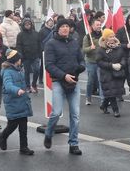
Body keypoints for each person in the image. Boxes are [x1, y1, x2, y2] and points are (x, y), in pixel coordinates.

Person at [43, 18, 85, 155]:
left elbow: (81, 59)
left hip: (74, 81)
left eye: (67, 26)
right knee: (56, 112)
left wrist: (81, 68)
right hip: (59, 82)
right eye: (63, 26)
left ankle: (73, 143)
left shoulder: (74, 42)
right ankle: (49, 134)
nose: (65, 28)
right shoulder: (51, 44)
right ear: (58, 28)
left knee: (75, 115)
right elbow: (49, 65)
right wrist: (63, 75)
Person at [0, 49, 34, 155]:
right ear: (15, 60)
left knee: (23, 126)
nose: (21, 60)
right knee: (12, 125)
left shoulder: (19, 69)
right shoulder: (7, 72)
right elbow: (8, 85)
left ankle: (24, 147)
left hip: (22, 101)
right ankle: (3, 136)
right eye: (19, 59)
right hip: (13, 102)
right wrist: (17, 90)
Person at [97, 29, 125, 117]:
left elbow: (123, 58)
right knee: (112, 92)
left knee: (113, 91)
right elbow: (99, 62)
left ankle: (103, 105)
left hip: (117, 72)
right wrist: (111, 65)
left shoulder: (118, 47)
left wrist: (121, 64)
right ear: (105, 38)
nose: (112, 38)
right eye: (110, 37)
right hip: (107, 73)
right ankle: (116, 110)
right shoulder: (101, 49)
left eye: (113, 36)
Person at [16, 18, 41, 93]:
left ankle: (34, 84)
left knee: (37, 70)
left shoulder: (36, 33)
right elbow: (18, 46)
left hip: (35, 56)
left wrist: (39, 54)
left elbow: (39, 44)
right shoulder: (20, 35)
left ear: (31, 25)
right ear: (23, 25)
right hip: (25, 57)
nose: (28, 26)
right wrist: (20, 55)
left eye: (29, 24)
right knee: (26, 72)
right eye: (26, 24)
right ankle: (27, 86)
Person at [82, 19, 102, 105]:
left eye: (100, 25)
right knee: (91, 81)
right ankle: (88, 97)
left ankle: (103, 100)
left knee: (101, 81)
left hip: (100, 62)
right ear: (92, 26)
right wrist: (90, 48)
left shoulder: (103, 36)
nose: (99, 26)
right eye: (97, 25)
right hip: (91, 62)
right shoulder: (87, 37)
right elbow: (84, 49)